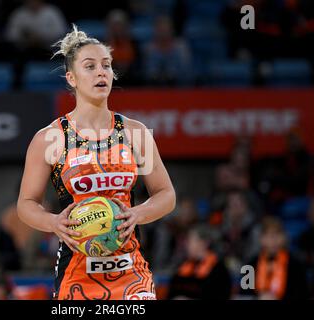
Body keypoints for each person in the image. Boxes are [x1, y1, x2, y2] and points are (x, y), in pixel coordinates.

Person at [16, 25, 176, 300]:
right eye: (90, 66)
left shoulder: (134, 132)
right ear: (72, 78)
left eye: (106, 65)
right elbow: (26, 204)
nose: (101, 72)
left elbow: (166, 195)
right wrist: (53, 222)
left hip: (130, 270)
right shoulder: (51, 138)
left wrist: (138, 213)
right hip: (76, 271)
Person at [242, 216, 309, 300]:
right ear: (261, 239)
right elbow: (244, 296)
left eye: (277, 235)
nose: (273, 240)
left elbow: (302, 295)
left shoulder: (296, 266)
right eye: (269, 235)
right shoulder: (250, 266)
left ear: (284, 238)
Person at [167, 225, 232, 300]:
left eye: (190, 240)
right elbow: (171, 294)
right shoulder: (182, 267)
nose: (187, 245)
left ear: (204, 243)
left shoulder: (219, 270)